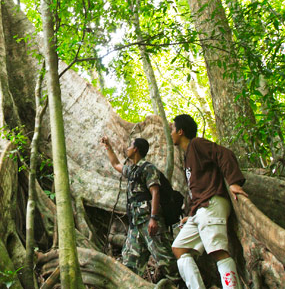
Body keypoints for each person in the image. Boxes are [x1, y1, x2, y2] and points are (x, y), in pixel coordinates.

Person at [170, 114, 247, 289]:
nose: (171, 133)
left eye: (173, 129)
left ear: (181, 131)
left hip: (212, 204)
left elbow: (224, 154)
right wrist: (190, 215)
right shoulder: (187, 156)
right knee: (179, 248)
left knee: (218, 252)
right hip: (200, 211)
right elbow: (197, 188)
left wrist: (234, 182)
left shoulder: (196, 144)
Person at [100, 136, 179, 283]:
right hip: (135, 226)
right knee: (129, 264)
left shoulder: (148, 168)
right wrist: (108, 146)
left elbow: (155, 192)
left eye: (130, 146)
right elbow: (116, 164)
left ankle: (181, 285)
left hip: (150, 223)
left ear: (136, 149)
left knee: (167, 261)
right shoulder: (132, 170)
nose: (128, 149)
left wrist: (154, 218)